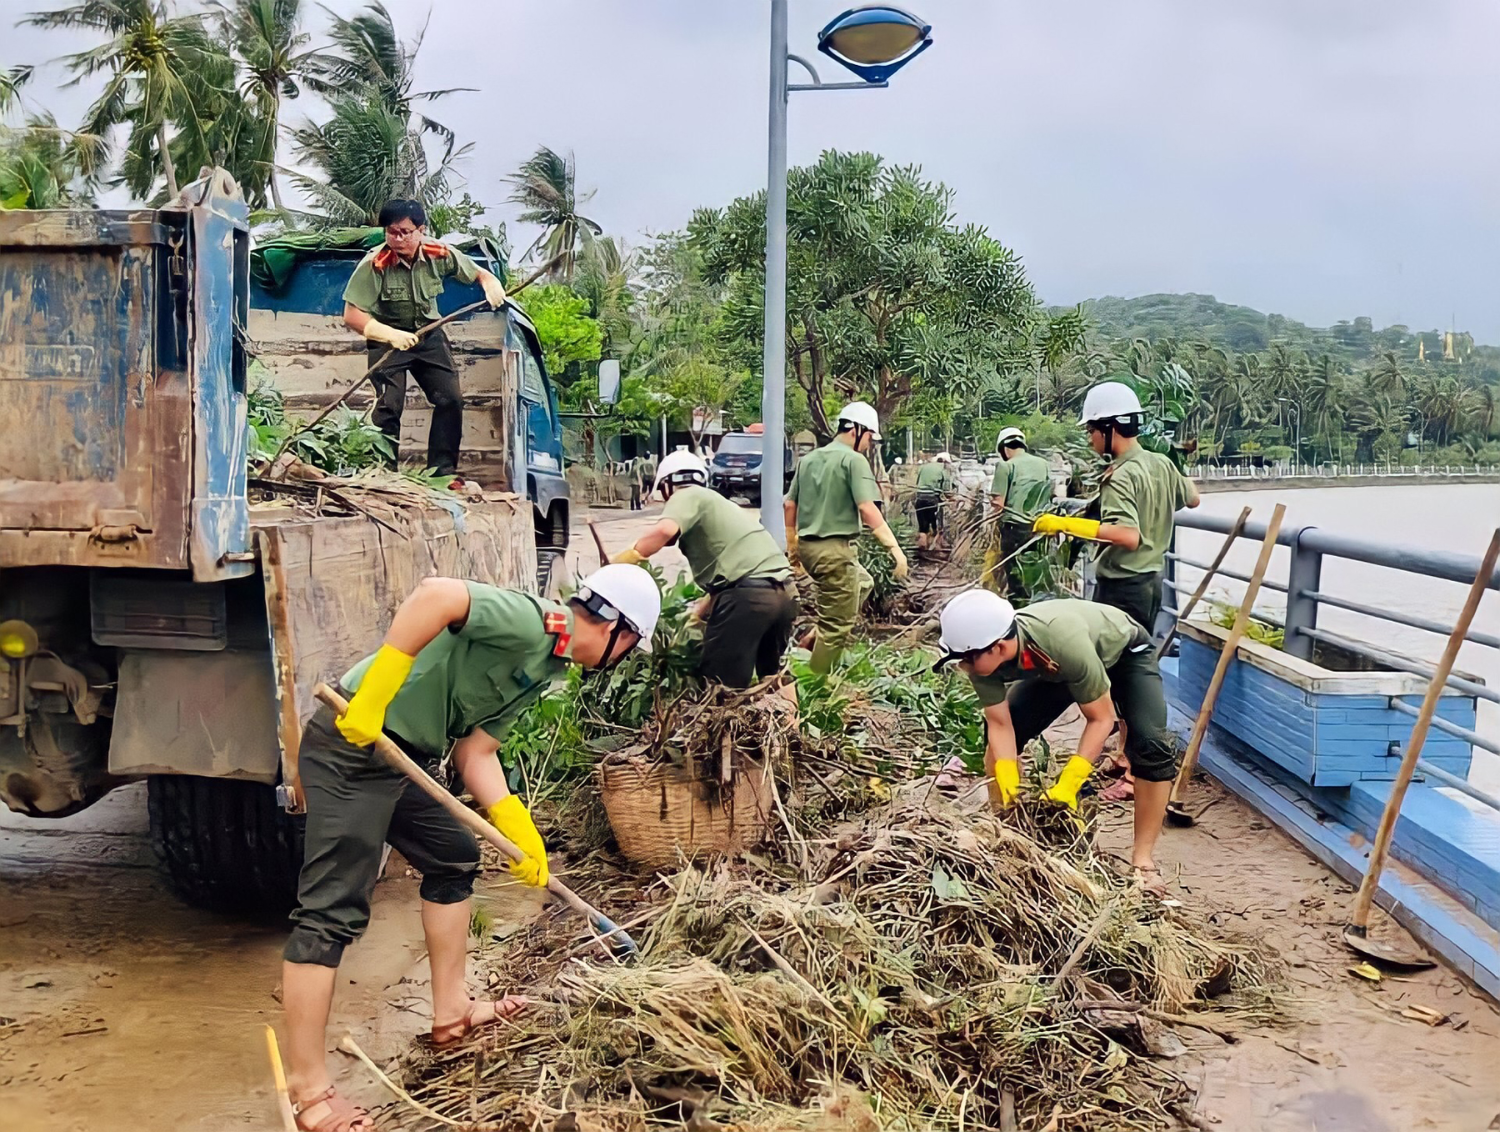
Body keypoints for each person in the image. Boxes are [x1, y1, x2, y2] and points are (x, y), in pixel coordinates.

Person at [281, 564, 660, 1132]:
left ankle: (452, 1011)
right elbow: (436, 596)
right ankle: (308, 1088)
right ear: (620, 633)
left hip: (402, 759)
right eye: (630, 649)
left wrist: (516, 826)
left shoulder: (545, 668)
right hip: (353, 745)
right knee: (332, 909)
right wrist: (379, 686)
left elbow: (475, 754)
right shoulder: (534, 624)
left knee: (453, 854)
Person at [936, 589, 1176, 892]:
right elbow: (1000, 724)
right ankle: (1008, 833)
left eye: (966, 661)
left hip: (1123, 655)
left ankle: (1143, 862)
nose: (963, 668)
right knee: (1000, 743)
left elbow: (1101, 719)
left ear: (998, 647)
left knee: (1151, 745)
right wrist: (1008, 775)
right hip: (1057, 669)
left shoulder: (1060, 643)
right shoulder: (980, 656)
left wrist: (1070, 781)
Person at [342, 199, 509, 478]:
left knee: (450, 399)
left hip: (429, 336)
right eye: (390, 232)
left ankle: (442, 473)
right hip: (387, 338)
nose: (397, 239)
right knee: (389, 406)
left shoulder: (439, 253)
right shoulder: (375, 264)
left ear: (421, 230)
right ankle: (383, 474)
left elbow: (477, 273)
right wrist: (389, 334)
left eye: (404, 232)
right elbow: (352, 315)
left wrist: (490, 282)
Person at [611, 450, 797, 687]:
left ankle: (720, 722)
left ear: (668, 484)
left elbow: (664, 531)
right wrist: (695, 617)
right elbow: (730, 580)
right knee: (772, 676)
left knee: (720, 685)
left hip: (750, 599)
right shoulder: (721, 506)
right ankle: (793, 722)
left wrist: (628, 558)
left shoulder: (686, 495)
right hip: (786, 594)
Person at [1032, 383, 1200, 634]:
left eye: (1091, 430)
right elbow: (1193, 499)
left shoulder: (1120, 476)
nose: (1090, 439)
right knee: (1138, 653)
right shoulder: (1161, 463)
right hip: (1153, 581)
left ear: (1110, 429)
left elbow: (1127, 536)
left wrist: (1065, 524)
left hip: (1122, 588)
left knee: (1115, 665)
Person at [783, 401, 908, 675]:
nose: (868, 445)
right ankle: (815, 685)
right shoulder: (853, 460)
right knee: (836, 629)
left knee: (863, 582)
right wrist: (894, 548)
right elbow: (867, 508)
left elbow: (789, 505)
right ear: (856, 430)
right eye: (869, 438)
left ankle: (816, 637)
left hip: (810, 548)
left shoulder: (809, 460)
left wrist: (792, 544)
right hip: (835, 552)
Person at [989, 427, 1053, 597]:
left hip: (1014, 529)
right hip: (1039, 529)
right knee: (1034, 574)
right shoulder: (1044, 465)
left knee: (1015, 576)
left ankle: (1017, 610)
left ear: (1004, 449)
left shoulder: (1005, 465)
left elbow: (999, 505)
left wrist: (992, 528)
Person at [914, 452, 953, 554]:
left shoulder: (924, 467)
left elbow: (918, 483)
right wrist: (951, 499)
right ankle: (937, 547)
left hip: (920, 499)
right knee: (937, 524)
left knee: (923, 526)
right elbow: (947, 490)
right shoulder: (944, 470)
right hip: (933, 501)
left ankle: (922, 546)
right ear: (945, 461)